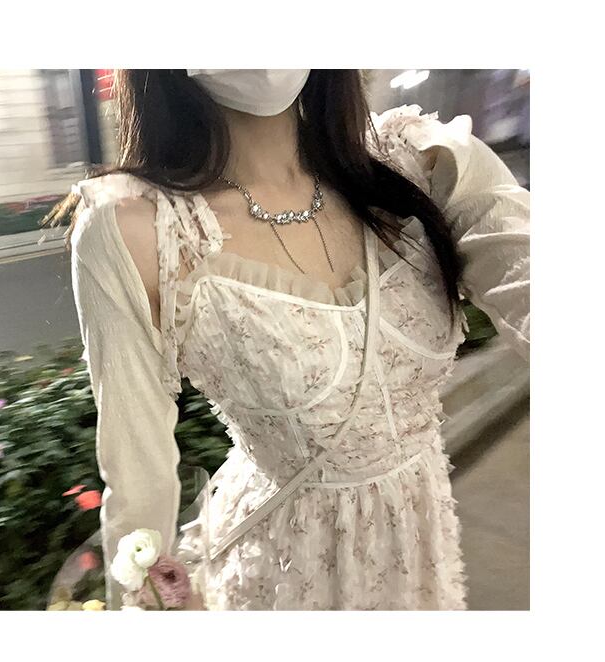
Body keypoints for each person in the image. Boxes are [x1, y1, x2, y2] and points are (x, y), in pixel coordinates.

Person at [42, 69, 530, 610]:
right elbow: (138, 480)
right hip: (278, 575)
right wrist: (148, 609)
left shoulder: (421, 162)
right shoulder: (138, 229)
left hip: (421, 552)